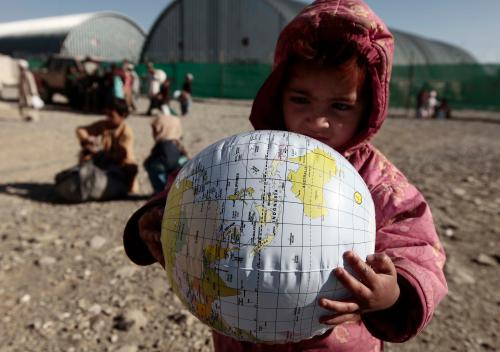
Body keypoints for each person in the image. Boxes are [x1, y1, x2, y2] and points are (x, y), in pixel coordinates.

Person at [122, 1, 447, 351]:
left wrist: (393, 294)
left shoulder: (378, 181)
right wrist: (152, 219)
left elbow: (417, 247)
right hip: (241, 335)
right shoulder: (246, 157)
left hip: (335, 344)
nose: (317, 121)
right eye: (300, 100)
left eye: (340, 106)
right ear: (278, 95)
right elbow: (192, 190)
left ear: (368, 106)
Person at [56, 98, 138, 202]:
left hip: (120, 167)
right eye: (107, 115)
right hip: (104, 162)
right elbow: (81, 130)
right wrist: (87, 140)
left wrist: (98, 153)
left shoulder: (126, 132)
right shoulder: (103, 125)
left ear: (123, 115)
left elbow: (122, 155)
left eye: (111, 116)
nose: (108, 118)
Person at [143, 110, 188, 194]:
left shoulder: (163, 145)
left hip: (165, 170)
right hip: (178, 171)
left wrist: (148, 162)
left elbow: (166, 161)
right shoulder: (176, 143)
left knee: (151, 164)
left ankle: (161, 191)